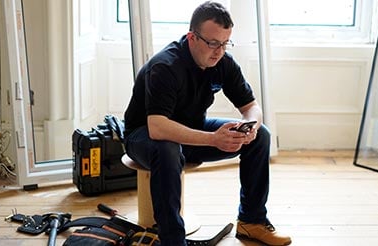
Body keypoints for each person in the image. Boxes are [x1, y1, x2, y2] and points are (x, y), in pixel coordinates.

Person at [123, 1, 291, 245]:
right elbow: (157, 127)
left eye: (225, 43)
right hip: (144, 136)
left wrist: (250, 128)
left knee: (262, 135)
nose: (219, 51)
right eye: (213, 43)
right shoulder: (165, 66)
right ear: (192, 37)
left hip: (192, 131)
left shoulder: (223, 62)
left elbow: (251, 107)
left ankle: (251, 221)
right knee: (168, 148)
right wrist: (214, 139)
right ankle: (172, 240)